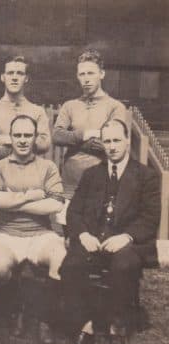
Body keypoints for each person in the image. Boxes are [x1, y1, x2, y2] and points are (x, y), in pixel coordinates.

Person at [60, 119, 160, 344]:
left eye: (117, 140)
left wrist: (126, 236)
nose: (112, 146)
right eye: (107, 141)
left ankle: (117, 329)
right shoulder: (91, 174)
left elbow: (150, 217)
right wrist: (83, 234)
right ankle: (86, 326)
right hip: (94, 240)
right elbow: (74, 211)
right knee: (71, 265)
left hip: (128, 243)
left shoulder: (145, 175)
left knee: (123, 265)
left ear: (127, 141)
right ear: (102, 144)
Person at [0, 114, 66, 344]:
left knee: (60, 257)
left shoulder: (48, 166)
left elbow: (56, 204)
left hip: (40, 234)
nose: (22, 140)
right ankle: (16, 311)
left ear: (35, 138)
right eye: (17, 135)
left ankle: (45, 319)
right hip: (7, 233)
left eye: (27, 135)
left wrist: (13, 200)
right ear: (9, 138)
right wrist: (32, 196)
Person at [52, 49, 127, 224]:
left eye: (91, 73)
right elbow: (56, 136)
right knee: (68, 234)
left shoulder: (115, 107)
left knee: (96, 233)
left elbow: (111, 145)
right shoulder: (70, 106)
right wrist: (86, 134)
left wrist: (74, 141)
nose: (86, 79)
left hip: (101, 181)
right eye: (82, 74)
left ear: (101, 74)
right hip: (71, 181)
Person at [0, 55, 50, 163]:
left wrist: (5, 140)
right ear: (3, 77)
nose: (14, 77)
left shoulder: (37, 112)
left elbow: (44, 144)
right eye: (10, 73)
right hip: (0, 175)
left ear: (26, 78)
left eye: (20, 73)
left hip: (30, 175)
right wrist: (27, 144)